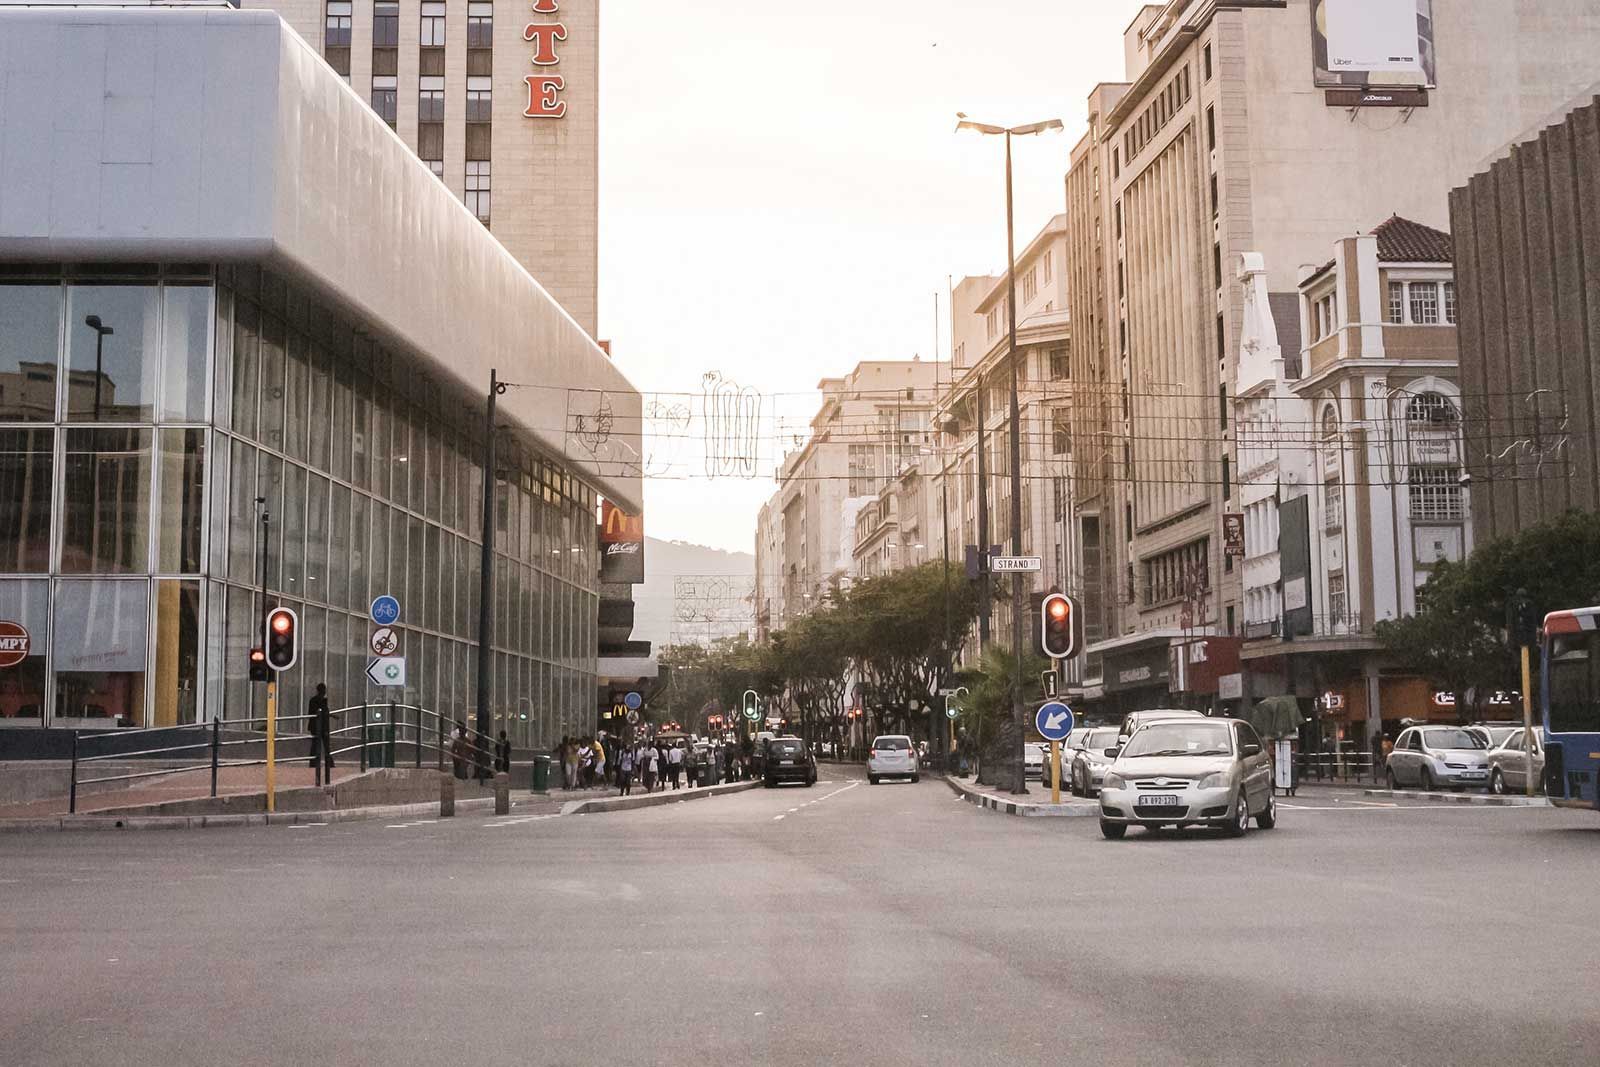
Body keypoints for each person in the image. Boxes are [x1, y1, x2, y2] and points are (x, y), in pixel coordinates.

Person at [306, 683, 333, 781]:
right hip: (318, 726)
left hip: (318, 726)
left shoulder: (317, 700)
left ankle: (316, 763)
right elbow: (321, 713)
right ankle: (326, 763)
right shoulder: (317, 700)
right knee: (323, 745)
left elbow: (324, 712)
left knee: (318, 745)